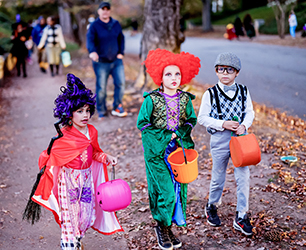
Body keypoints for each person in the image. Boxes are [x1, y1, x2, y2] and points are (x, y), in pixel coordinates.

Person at [32, 73, 123, 250]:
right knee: (70, 216)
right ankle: (69, 243)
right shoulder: (64, 135)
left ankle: (77, 238)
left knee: (86, 215)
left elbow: (95, 153)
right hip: (68, 181)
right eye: (79, 111)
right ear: (69, 112)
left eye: (87, 111)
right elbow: (54, 157)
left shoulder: (92, 131)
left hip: (87, 179)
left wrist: (107, 157)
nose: (85, 115)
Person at [137, 49, 201, 250]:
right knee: (164, 190)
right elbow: (143, 124)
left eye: (177, 74)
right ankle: (161, 227)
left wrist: (180, 133)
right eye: (168, 74)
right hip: (156, 152)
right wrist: (166, 136)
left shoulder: (184, 99)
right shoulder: (152, 100)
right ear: (160, 77)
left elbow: (191, 120)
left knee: (176, 189)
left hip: (177, 152)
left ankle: (168, 226)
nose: (174, 78)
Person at [198, 52, 255, 236]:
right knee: (218, 176)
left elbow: (250, 112)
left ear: (236, 73)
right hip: (220, 139)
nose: (225, 73)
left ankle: (241, 215)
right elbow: (202, 118)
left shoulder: (244, 91)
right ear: (216, 71)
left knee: (243, 177)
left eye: (229, 70)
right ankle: (212, 205)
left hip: (240, 139)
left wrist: (244, 125)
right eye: (221, 69)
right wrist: (222, 123)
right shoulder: (210, 93)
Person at [86, 2, 127, 118]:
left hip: (116, 61)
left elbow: (121, 38)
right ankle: (101, 111)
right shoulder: (94, 25)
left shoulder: (115, 24)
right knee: (102, 88)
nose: (105, 11)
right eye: (102, 9)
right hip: (101, 62)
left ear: (109, 11)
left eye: (107, 9)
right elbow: (90, 40)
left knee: (121, 84)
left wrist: (121, 53)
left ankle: (117, 107)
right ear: (99, 11)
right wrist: (92, 51)